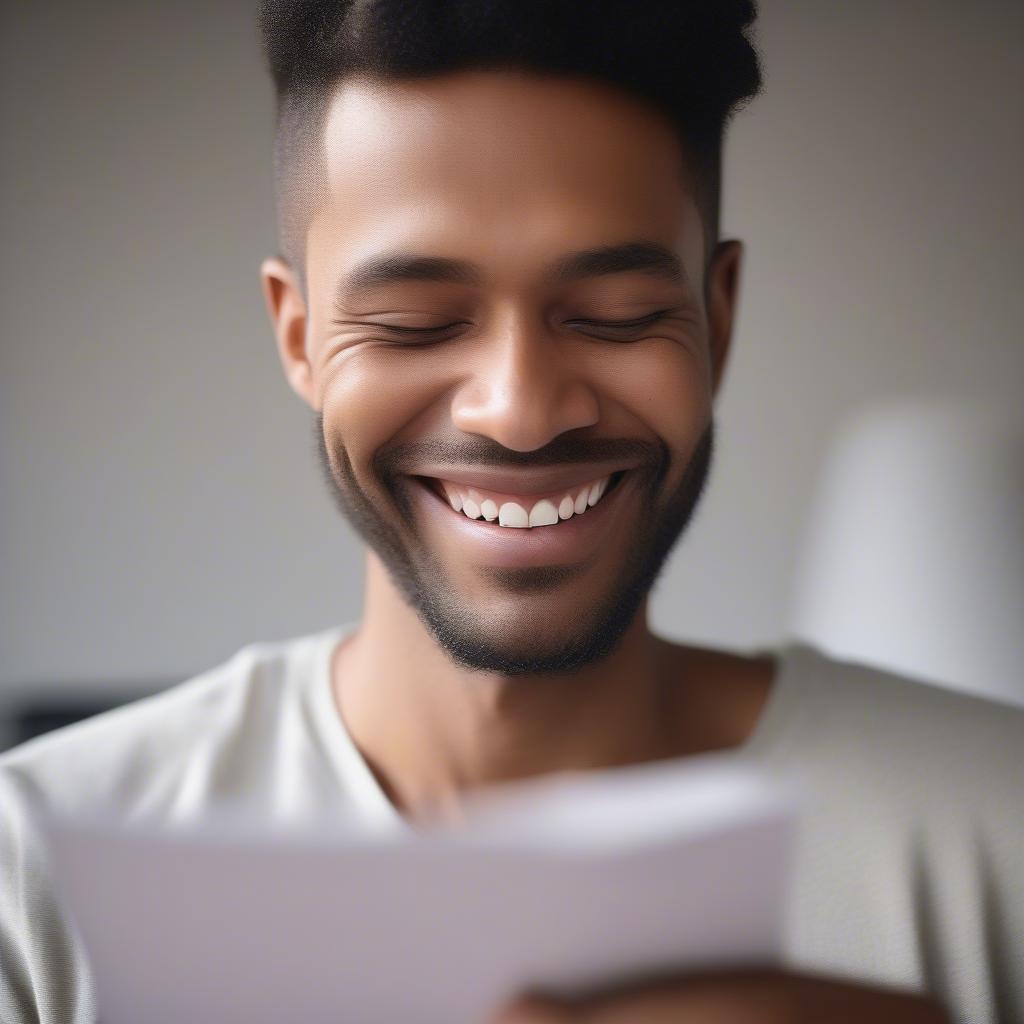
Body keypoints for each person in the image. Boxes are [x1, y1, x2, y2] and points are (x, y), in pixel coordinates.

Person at [1, 2, 1021, 1022]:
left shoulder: (998, 828)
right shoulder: (29, 873)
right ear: (300, 338)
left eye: (613, 317)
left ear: (718, 317)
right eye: (414, 323)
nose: (522, 413)